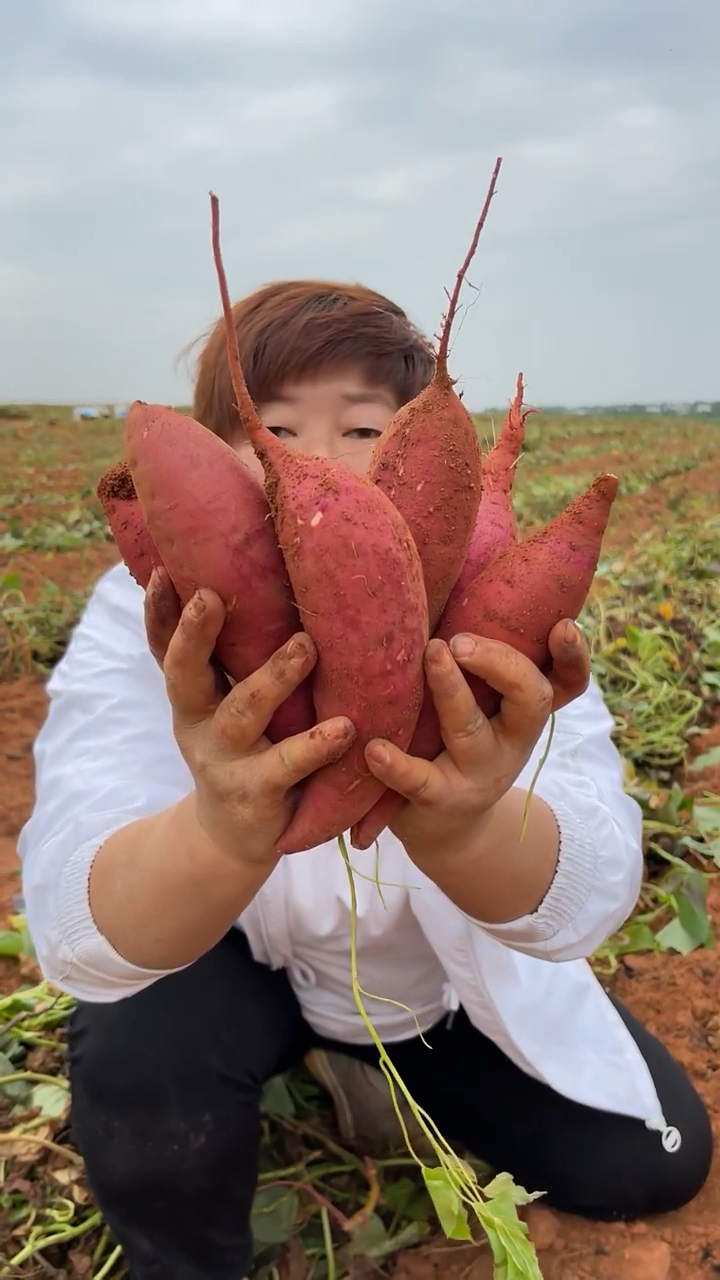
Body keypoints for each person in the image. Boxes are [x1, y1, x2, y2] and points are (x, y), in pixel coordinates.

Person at [18, 281, 712, 1280]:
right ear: (211, 460)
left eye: (361, 429)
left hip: (437, 991)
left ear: (428, 460)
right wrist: (221, 830)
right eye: (273, 429)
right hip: (227, 964)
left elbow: (594, 882)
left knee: (651, 1160)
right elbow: (71, 916)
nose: (316, 461)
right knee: (144, 1100)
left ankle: (372, 1059)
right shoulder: (156, 618)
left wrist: (465, 825)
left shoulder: (498, 616)